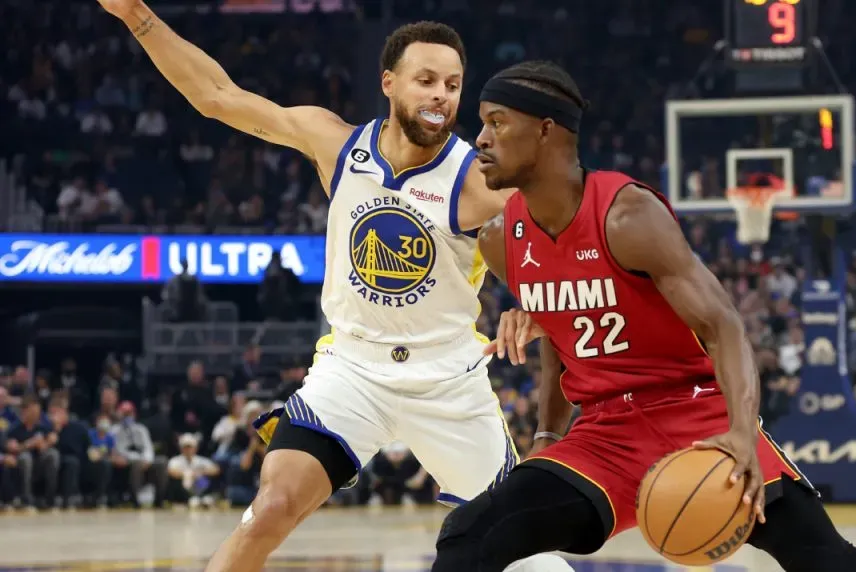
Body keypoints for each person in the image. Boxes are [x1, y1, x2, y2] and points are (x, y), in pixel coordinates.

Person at [96, 2, 570, 571]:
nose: (441, 95)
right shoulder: (338, 143)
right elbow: (217, 96)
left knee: (524, 551)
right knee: (270, 509)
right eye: (425, 80)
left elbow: (568, 249)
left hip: (447, 381)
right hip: (352, 373)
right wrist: (136, 14)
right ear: (388, 82)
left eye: (452, 84)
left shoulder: (480, 181)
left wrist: (535, 304)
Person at [431, 60, 856, 572]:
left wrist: (741, 432)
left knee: (825, 560)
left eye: (497, 122)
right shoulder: (500, 240)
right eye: (483, 124)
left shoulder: (628, 216)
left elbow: (723, 326)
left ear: (545, 130)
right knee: (469, 534)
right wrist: (547, 439)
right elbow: (559, 342)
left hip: (698, 413)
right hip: (604, 436)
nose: (481, 138)